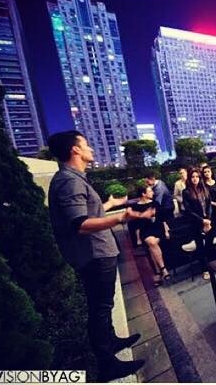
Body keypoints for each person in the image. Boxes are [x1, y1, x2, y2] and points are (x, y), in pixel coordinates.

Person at [47, 131, 145, 381]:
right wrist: (120, 217)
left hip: (99, 253)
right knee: (100, 310)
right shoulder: (69, 181)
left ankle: (111, 341)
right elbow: (79, 223)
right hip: (95, 255)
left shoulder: (74, 179)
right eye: (86, 144)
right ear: (75, 150)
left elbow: (87, 211)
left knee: (105, 305)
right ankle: (107, 364)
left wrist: (109, 204)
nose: (90, 148)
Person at [133, 185, 170, 286]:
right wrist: (138, 238)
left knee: (151, 247)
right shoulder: (135, 207)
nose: (153, 193)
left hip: (157, 228)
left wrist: (166, 230)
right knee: (152, 242)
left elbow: (162, 218)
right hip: (146, 230)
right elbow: (137, 225)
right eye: (150, 191)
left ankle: (158, 273)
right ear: (143, 194)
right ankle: (163, 269)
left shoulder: (155, 203)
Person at [182, 169, 215, 280]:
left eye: (197, 176)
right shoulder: (186, 192)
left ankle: (211, 266)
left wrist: (208, 220)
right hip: (196, 223)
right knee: (200, 246)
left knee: (209, 245)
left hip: (208, 221)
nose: (195, 179)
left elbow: (209, 205)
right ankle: (204, 269)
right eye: (193, 177)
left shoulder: (204, 188)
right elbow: (189, 210)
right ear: (189, 179)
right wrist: (202, 221)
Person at [145, 169, 174, 238]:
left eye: (147, 181)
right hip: (166, 207)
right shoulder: (159, 182)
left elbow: (157, 202)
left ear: (153, 179)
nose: (146, 183)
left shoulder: (159, 188)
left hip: (166, 208)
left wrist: (148, 197)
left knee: (165, 225)